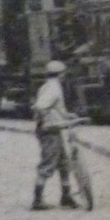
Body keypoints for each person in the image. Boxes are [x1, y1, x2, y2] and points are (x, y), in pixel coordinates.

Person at [31, 60, 79, 211]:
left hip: (54, 130)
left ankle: (66, 196)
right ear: (61, 75)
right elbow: (41, 106)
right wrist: (44, 122)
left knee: (64, 163)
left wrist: (66, 115)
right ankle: (37, 200)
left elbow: (54, 106)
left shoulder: (48, 86)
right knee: (48, 164)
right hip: (49, 131)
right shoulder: (53, 88)